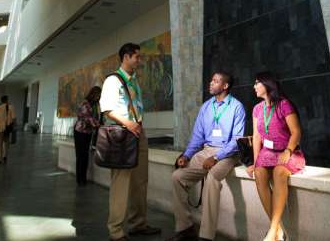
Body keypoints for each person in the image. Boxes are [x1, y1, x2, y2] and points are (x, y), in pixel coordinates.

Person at [166, 72, 246, 241]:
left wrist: (216, 158)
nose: (210, 83)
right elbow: (197, 136)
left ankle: (206, 236)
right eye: (211, 80)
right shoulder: (206, 107)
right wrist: (186, 156)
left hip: (228, 153)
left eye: (215, 81)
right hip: (206, 150)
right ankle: (185, 228)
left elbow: (236, 140)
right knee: (177, 177)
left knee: (212, 179)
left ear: (225, 86)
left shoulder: (236, 107)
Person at [99, 43, 161, 241]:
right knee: (121, 184)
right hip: (123, 135)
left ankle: (138, 223)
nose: (139, 61)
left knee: (140, 181)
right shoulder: (113, 80)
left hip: (137, 134)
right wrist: (129, 124)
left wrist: (137, 127)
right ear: (126, 57)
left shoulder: (134, 81)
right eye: (137, 57)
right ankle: (116, 231)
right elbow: (107, 109)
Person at [246, 72, 305, 241]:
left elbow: (296, 132)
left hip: (288, 151)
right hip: (267, 153)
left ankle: (272, 230)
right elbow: (256, 137)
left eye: (257, 83)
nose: (254, 86)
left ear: (267, 85)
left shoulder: (284, 105)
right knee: (259, 173)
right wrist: (255, 161)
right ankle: (278, 229)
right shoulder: (257, 109)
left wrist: (288, 151)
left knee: (279, 172)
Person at [74, 86, 101, 186]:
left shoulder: (95, 105)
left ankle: (83, 179)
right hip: (80, 132)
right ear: (93, 94)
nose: (99, 97)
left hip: (88, 132)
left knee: (85, 156)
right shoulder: (85, 103)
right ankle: (79, 179)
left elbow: (96, 117)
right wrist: (98, 124)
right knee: (80, 156)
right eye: (98, 95)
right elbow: (87, 118)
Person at [0, 95, 16, 164]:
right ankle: (5, 156)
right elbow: (14, 118)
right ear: (7, 100)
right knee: (6, 143)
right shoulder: (11, 107)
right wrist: (14, 126)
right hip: (7, 128)